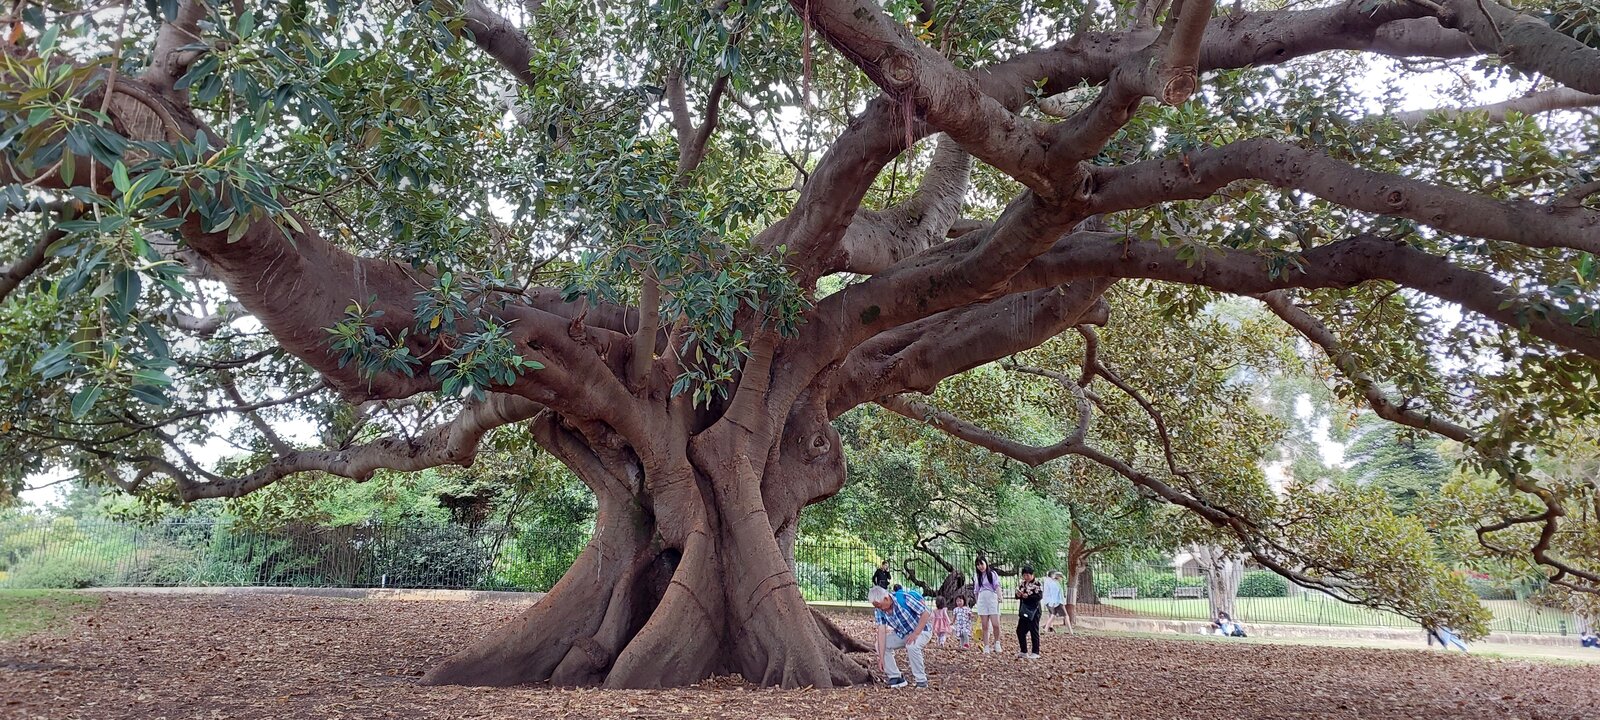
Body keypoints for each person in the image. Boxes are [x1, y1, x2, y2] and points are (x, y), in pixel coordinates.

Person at [869, 585, 932, 689]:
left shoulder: (904, 599)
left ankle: (921, 681)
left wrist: (916, 633)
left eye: (879, 605)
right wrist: (881, 657)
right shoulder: (879, 611)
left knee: (912, 646)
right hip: (902, 634)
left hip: (922, 631)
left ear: (886, 598)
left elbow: (926, 613)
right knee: (880, 645)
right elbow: (881, 631)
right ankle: (895, 677)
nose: (878, 608)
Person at [973, 557, 1003, 653]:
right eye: (978, 565)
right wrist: (978, 602)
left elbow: (997, 586)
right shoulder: (977, 576)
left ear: (986, 563)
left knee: (995, 624)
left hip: (992, 599)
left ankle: (997, 643)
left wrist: (1000, 596)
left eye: (981, 564)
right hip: (982, 599)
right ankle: (986, 646)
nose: (980, 567)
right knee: (984, 625)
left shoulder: (992, 574)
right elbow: (976, 591)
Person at [1014, 565, 1044, 658]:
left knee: (1033, 629)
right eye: (1024, 575)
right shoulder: (1023, 584)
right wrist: (1019, 595)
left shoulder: (1037, 583)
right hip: (1024, 609)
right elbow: (1017, 596)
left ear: (1032, 574)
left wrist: (1029, 597)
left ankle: (1035, 652)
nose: (1026, 577)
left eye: (1028, 575)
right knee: (1020, 630)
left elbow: (1039, 596)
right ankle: (1024, 651)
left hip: (1034, 610)